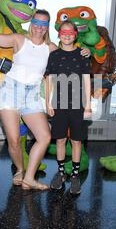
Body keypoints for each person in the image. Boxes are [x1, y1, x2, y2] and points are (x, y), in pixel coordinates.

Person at [0, 0, 90, 190]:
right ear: (31, 24)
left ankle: (29, 178)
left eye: (43, 24)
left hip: (32, 96)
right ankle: (20, 169)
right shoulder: (18, 39)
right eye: (36, 22)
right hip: (11, 91)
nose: (39, 27)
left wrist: (84, 52)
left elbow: (70, 52)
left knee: (44, 137)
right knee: (13, 140)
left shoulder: (51, 48)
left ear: (47, 27)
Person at [45, 20, 92, 195]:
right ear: (59, 35)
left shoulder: (83, 54)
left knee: (77, 141)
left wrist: (87, 106)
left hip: (78, 104)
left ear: (75, 35)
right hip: (59, 104)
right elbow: (49, 80)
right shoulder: (54, 55)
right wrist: (48, 103)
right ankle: (61, 173)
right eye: (63, 32)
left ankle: (74, 175)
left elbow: (87, 80)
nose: (66, 35)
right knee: (60, 140)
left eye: (70, 32)